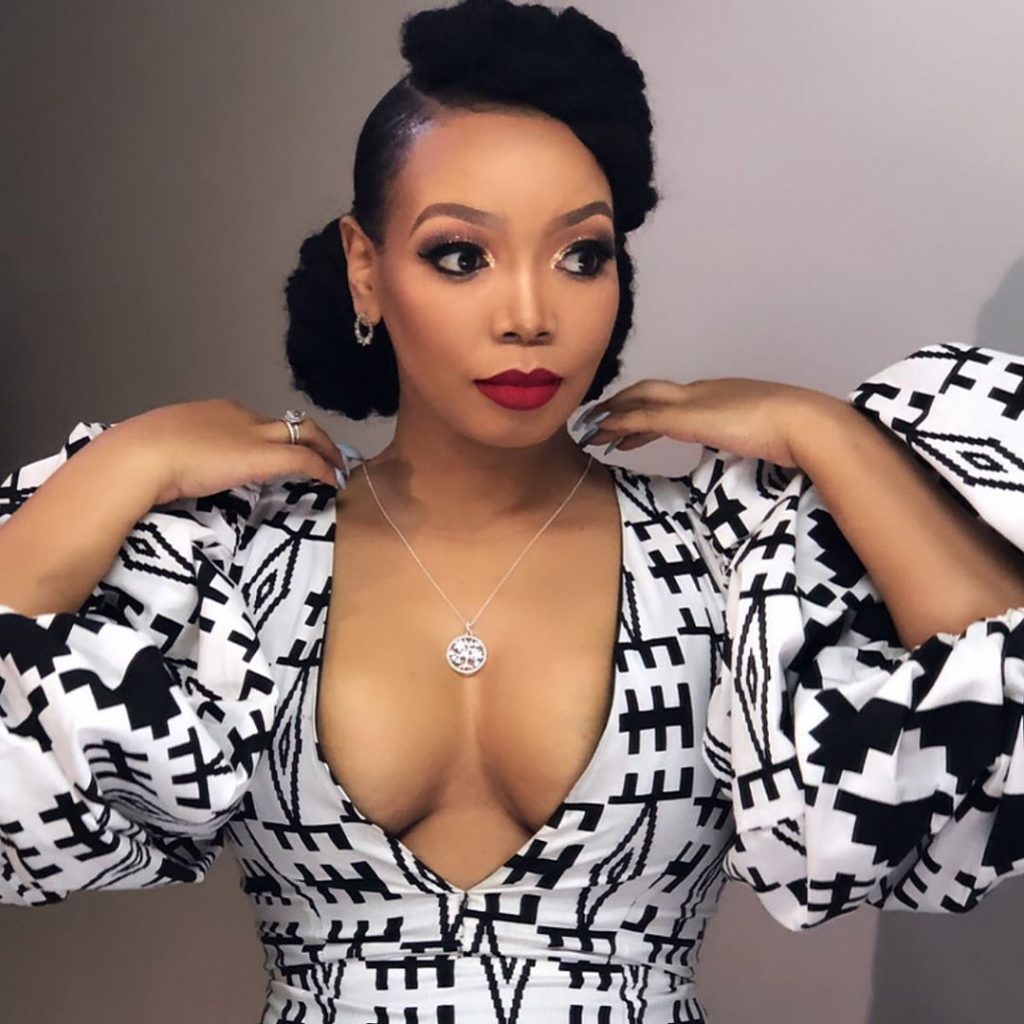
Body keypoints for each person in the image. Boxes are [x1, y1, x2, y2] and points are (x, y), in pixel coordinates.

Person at [1, 0, 1023, 1019]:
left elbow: (1000, 725)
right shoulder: (244, 567)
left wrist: (826, 434)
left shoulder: (725, 559)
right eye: (461, 254)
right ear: (365, 268)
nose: (530, 314)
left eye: (581, 255)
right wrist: (123, 465)